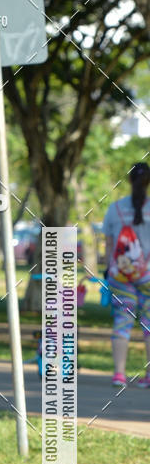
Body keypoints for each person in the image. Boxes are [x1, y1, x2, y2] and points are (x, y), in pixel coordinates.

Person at [102, 161, 150, 387]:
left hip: (120, 276)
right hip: (148, 275)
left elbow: (109, 245)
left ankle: (119, 375)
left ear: (129, 180)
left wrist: (107, 270)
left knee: (123, 321)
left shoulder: (115, 209)